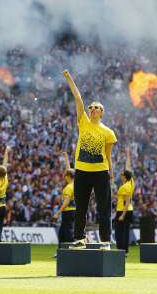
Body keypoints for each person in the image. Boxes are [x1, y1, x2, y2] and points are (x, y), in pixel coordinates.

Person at [63, 70, 117, 250]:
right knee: (81, 207)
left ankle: (105, 241)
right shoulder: (83, 122)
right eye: (91, 107)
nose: (92, 108)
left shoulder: (108, 132)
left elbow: (108, 156)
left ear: (102, 112)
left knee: (104, 209)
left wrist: (111, 175)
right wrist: (69, 77)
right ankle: (79, 239)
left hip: (101, 172)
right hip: (82, 171)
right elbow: (78, 98)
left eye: (96, 107)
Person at [53, 152, 75, 256]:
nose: (63, 175)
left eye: (65, 174)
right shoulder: (75, 184)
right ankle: (61, 251)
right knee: (63, 232)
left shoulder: (68, 188)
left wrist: (58, 212)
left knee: (67, 232)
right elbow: (70, 170)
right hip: (74, 210)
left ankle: (69, 252)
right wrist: (66, 158)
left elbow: (66, 202)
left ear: (68, 176)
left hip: (68, 211)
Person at [115, 147, 135, 254]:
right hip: (128, 210)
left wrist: (122, 214)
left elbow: (126, 202)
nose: (121, 175)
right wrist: (128, 155)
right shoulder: (131, 182)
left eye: (122, 175)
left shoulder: (125, 187)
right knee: (125, 231)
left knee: (120, 231)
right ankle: (124, 250)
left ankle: (121, 249)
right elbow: (128, 168)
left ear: (125, 177)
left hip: (123, 210)